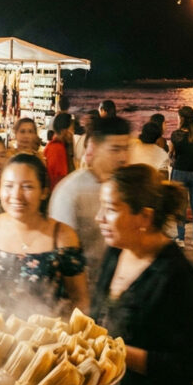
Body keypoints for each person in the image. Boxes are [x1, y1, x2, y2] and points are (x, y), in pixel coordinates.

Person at [92, 164, 193, 385]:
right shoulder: (116, 253)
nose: (99, 218)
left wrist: (116, 351)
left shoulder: (175, 276)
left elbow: (191, 366)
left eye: (110, 209)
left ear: (143, 217)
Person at [0, 154, 88, 325]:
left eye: (27, 187)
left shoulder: (63, 238)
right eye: (8, 186)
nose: (16, 195)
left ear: (44, 192)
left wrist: (70, 339)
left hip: (45, 347)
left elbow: (80, 300)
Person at [50, 116, 131, 276]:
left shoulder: (128, 186)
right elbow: (62, 253)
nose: (123, 157)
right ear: (94, 147)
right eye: (115, 149)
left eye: (126, 148)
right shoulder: (70, 191)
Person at [170, 106, 193, 250]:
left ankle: (180, 238)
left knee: (181, 206)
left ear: (182, 119)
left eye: (178, 117)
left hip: (180, 171)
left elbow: (171, 152)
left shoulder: (176, 135)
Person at [44, 112, 76, 189]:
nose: (73, 133)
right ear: (63, 131)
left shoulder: (54, 146)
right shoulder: (58, 149)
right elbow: (60, 181)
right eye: (71, 129)